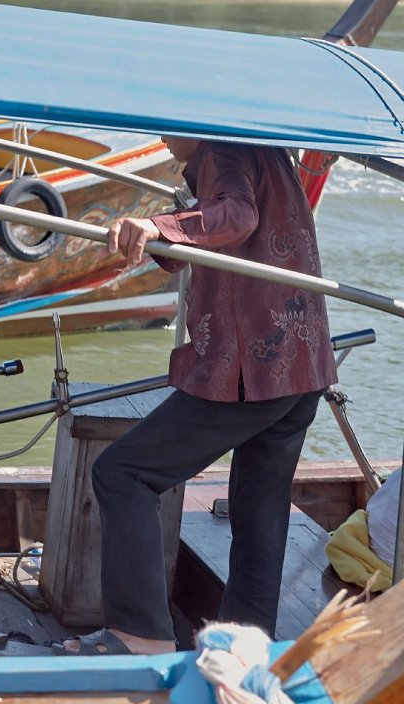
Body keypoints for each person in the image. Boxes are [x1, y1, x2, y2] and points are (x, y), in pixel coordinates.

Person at [56, 135, 338, 656]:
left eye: (167, 126)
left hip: (252, 366)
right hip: (302, 363)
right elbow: (234, 222)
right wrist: (165, 235)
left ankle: (140, 634)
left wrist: (158, 227)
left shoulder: (219, 150)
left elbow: (237, 216)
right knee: (260, 508)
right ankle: (242, 645)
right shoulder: (265, 148)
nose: (163, 138)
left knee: (123, 473)